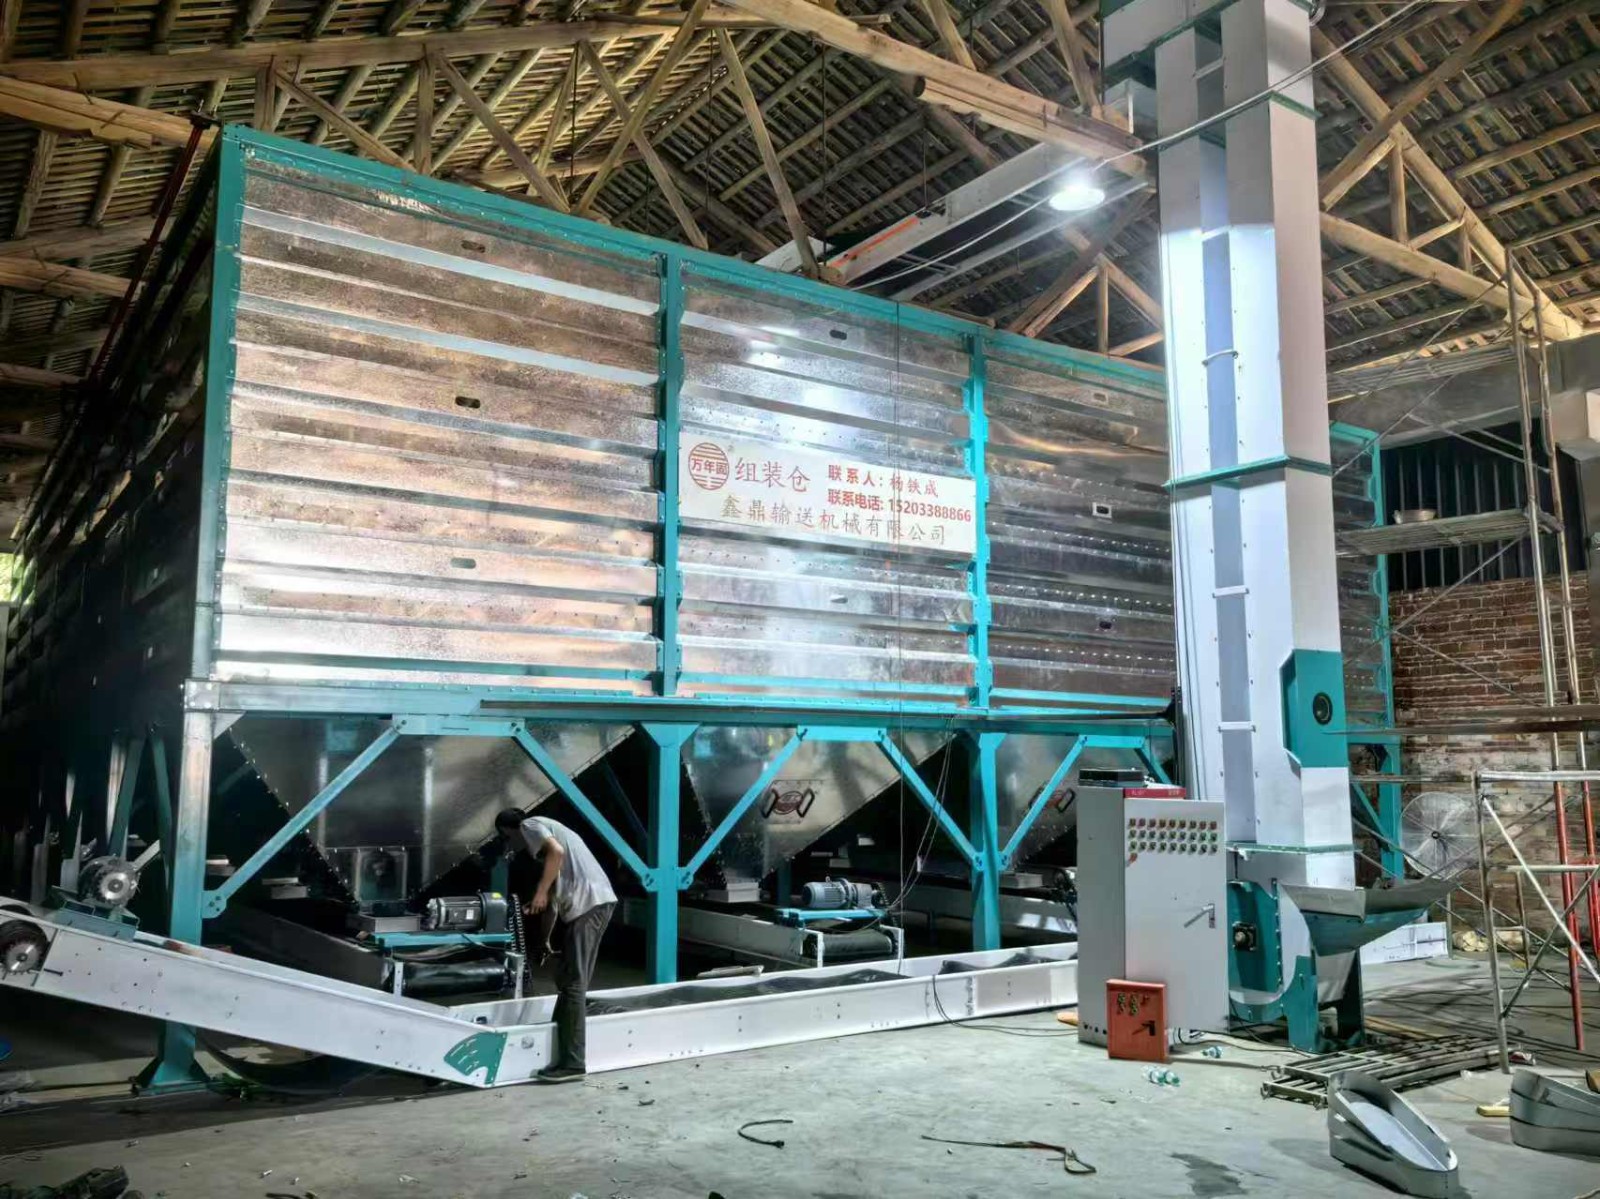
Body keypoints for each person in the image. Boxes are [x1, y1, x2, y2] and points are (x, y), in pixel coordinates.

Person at [494, 807, 617, 1083]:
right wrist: (545, 940)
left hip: (589, 905)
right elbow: (551, 904)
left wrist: (539, 892)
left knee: (573, 984)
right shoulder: (548, 856)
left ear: (511, 829)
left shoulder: (530, 825)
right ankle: (562, 1054)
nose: (510, 846)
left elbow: (556, 853)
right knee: (565, 980)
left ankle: (573, 1064)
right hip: (590, 906)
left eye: (506, 838)